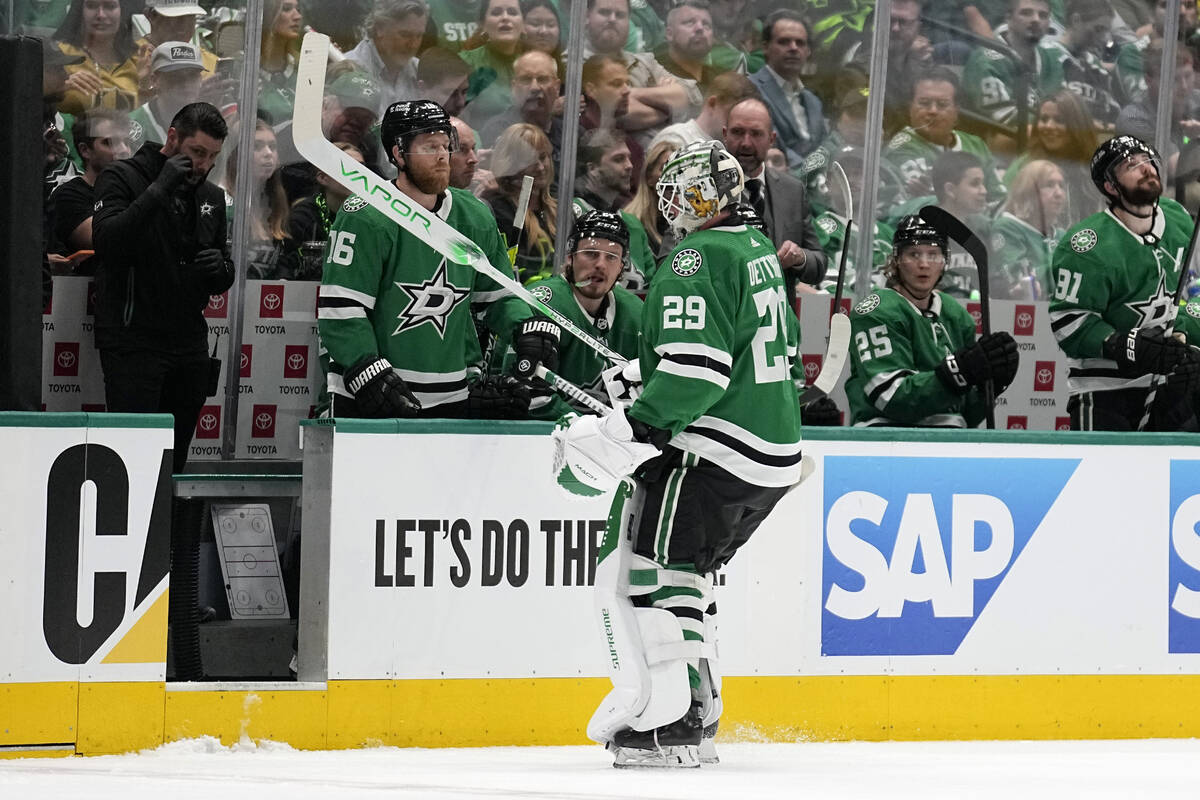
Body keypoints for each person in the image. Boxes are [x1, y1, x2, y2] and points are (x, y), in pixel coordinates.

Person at [553, 140, 804, 769]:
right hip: (769, 453)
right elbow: (759, 346)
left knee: (655, 574)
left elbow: (697, 374)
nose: (675, 203)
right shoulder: (755, 250)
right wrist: (645, 378)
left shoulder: (696, 256)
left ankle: (675, 722)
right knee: (690, 574)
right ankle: (703, 705)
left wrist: (641, 422)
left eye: (684, 191)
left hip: (712, 450)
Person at [317, 99, 552, 419]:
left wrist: (525, 328)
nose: (443, 156)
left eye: (445, 144)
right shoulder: (367, 214)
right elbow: (341, 307)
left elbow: (497, 295)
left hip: (450, 393)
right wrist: (366, 369)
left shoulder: (475, 215)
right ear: (399, 153)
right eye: (430, 147)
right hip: (374, 393)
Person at [91, 101, 234, 472]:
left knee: (176, 459)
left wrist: (221, 267)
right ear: (172, 138)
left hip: (189, 343)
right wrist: (160, 188)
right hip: (133, 339)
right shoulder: (121, 176)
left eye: (212, 157)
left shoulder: (212, 197)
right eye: (196, 152)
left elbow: (221, 273)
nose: (202, 165)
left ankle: (171, 530)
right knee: (131, 457)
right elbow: (107, 243)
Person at [1050, 135, 1200, 431]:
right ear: (1110, 186)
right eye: (1132, 164)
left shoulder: (1180, 219)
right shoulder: (1086, 245)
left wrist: (1184, 338)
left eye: (1148, 160)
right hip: (1105, 389)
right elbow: (1067, 320)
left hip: (1170, 381)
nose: (1146, 168)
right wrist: (1123, 344)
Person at [844, 215, 1020, 428]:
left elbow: (966, 414)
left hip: (950, 439)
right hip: (887, 437)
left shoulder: (956, 315)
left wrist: (990, 387)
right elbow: (890, 397)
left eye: (933, 254)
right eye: (914, 254)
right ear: (897, 259)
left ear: (945, 261)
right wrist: (958, 372)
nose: (924, 264)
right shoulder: (875, 311)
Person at [507, 210, 642, 418]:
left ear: (621, 268)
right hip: (543, 439)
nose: (600, 264)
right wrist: (587, 431)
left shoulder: (636, 313)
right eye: (591, 254)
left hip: (611, 442)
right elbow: (524, 393)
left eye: (611, 257)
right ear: (570, 258)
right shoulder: (543, 303)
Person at [724, 99, 826, 304]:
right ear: (725, 135)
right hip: (722, 317)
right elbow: (670, 258)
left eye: (756, 133)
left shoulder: (792, 190)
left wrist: (799, 258)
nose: (745, 142)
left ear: (771, 139)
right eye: (737, 132)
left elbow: (819, 263)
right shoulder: (701, 188)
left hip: (778, 324)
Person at [881, 67, 1006, 213]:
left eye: (942, 104)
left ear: (956, 111)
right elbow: (936, 205)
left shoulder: (975, 144)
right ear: (910, 107)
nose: (932, 111)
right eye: (924, 103)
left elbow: (998, 198)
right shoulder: (902, 148)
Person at [579, 0, 689, 142]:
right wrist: (665, 105)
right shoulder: (573, 64)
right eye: (605, 12)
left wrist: (634, 94)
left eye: (620, 15)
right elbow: (618, 113)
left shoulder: (645, 61)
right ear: (587, 16)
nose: (612, 19)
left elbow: (686, 96)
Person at [50, 109, 132, 277]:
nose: (123, 149)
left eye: (126, 142)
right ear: (85, 150)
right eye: (109, 142)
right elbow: (106, 240)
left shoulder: (135, 190)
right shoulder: (69, 195)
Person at [1003, 89, 1103, 223]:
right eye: (1043, 119)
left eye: (1059, 120)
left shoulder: (1098, 169)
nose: (1049, 126)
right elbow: (1006, 216)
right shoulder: (1024, 165)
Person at [962, 0, 1063, 128]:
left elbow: (1068, 108)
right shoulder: (986, 61)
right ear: (1008, 18)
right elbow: (1007, 122)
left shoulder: (1053, 59)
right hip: (994, 142)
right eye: (1026, 13)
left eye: (1043, 15)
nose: (1036, 20)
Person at [747, 10, 826, 168]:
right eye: (784, 42)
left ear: (808, 51)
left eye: (800, 43)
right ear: (765, 47)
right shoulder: (750, 89)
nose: (793, 48)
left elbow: (824, 146)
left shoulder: (813, 101)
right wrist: (810, 172)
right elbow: (771, 146)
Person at [482, 123, 558, 284]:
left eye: (543, 157)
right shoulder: (500, 211)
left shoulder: (559, 209)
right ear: (510, 165)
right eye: (530, 160)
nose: (540, 167)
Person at [221, 117, 295, 280]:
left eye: (273, 147)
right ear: (236, 154)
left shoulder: (276, 204)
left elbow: (285, 260)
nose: (268, 154)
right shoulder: (221, 202)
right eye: (257, 146)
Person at [990, 158, 1068, 299]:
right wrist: (1071, 264)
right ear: (1028, 191)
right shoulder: (1007, 228)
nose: (1059, 193)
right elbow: (1019, 279)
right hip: (1024, 315)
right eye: (1049, 185)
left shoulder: (1062, 235)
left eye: (1061, 185)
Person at [286, 142, 365, 281]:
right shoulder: (303, 218)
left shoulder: (374, 215)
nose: (357, 173)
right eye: (347, 167)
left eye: (361, 167)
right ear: (323, 178)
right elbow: (288, 268)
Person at [1042, 0, 1124, 127]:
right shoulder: (1045, 54)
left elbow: (1113, 113)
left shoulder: (1097, 65)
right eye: (1098, 29)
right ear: (1076, 21)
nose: (1103, 38)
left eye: (1106, 31)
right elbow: (1046, 107)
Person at [479, 50, 564, 168]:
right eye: (526, 79)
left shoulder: (570, 133)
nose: (534, 87)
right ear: (513, 87)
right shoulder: (498, 130)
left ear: (557, 87)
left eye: (543, 79)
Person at [54, 0, 142, 114]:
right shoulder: (59, 55)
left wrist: (145, 85)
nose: (101, 15)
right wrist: (58, 87)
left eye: (110, 6)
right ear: (80, 11)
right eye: (91, 6)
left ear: (122, 11)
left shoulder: (142, 56)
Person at [344, 0, 429, 116]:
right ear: (379, 28)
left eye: (419, 36)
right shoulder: (348, 71)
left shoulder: (421, 72)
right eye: (405, 35)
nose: (413, 45)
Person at [649, 71, 759, 152]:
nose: (738, 125)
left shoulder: (734, 149)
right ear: (712, 104)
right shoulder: (677, 140)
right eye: (732, 115)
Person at [127, 41, 206, 152]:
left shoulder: (208, 121)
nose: (186, 83)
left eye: (192, 75)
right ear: (154, 80)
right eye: (176, 76)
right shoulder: (133, 127)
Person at [461, 0, 525, 128]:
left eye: (512, 12)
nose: (505, 17)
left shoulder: (531, 65)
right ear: (483, 24)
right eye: (496, 13)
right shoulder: (465, 62)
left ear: (524, 24)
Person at [653, 0, 718, 118]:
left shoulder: (719, 79)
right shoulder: (651, 71)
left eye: (706, 24)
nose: (700, 28)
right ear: (669, 34)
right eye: (690, 23)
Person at [623, 138, 677, 263]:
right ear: (649, 177)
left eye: (678, 169)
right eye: (666, 167)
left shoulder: (686, 222)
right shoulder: (630, 222)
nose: (673, 176)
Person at [258, 0, 304, 124]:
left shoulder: (302, 66)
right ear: (267, 15)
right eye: (286, 9)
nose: (297, 16)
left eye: (298, 10)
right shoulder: (245, 68)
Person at [575, 128, 634, 213]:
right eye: (618, 159)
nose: (630, 165)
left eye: (629, 158)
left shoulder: (623, 214)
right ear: (592, 168)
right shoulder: (571, 210)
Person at [415, 47, 473, 117]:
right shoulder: (404, 125)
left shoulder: (466, 120)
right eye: (451, 94)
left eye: (464, 92)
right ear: (422, 89)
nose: (460, 103)